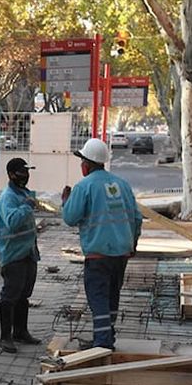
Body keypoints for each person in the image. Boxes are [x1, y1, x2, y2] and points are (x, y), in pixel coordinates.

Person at [61, 138, 141, 351]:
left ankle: (103, 343)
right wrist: (132, 244)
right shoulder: (122, 185)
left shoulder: (84, 186)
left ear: (87, 164)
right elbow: (137, 218)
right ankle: (107, 335)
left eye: (82, 161)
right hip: (121, 253)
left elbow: (70, 217)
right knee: (112, 296)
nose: (81, 165)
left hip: (98, 254)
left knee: (98, 298)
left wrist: (66, 201)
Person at [0, 157, 41, 353]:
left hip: (28, 253)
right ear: (11, 175)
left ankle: (21, 331)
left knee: (24, 295)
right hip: (13, 255)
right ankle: (5, 337)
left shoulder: (23, 193)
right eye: (22, 172)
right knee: (10, 296)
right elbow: (13, 222)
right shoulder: (8, 197)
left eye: (27, 171)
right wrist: (27, 206)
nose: (26, 175)